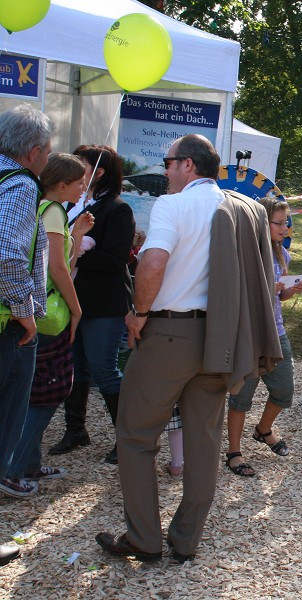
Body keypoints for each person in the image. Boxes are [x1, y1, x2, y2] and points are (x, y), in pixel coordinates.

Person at [96, 134, 280, 563]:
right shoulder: (243, 208)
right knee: (204, 441)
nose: (164, 170)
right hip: (221, 336)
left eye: (168, 162)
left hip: (168, 333)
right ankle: (185, 539)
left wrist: (139, 311)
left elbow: (153, 263)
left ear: (188, 166)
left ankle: (143, 537)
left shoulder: (172, 206)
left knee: (136, 435)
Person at [2, 154, 93, 498]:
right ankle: (14, 466)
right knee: (49, 391)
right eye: (80, 181)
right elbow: (57, 270)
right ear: (62, 184)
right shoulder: (53, 212)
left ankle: (27, 461)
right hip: (49, 315)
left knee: (37, 389)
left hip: (37, 310)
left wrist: (77, 233)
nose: (84, 187)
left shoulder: (45, 209)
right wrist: (77, 308)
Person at [49, 144, 135, 465]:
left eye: (81, 163)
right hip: (73, 300)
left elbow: (116, 259)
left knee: (104, 369)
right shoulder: (69, 205)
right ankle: (75, 430)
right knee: (75, 367)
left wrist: (78, 247)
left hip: (103, 303)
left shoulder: (117, 209)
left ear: (98, 172)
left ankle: (128, 439)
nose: (73, 167)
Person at [0, 106, 52, 558]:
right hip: (6, 330)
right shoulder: (19, 185)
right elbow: (7, 255)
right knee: (4, 422)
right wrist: (25, 312)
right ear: (33, 152)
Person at [224, 197, 302, 477]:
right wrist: (270, 289)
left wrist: (287, 291)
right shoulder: (247, 252)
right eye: (279, 223)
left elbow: (277, 295)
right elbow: (238, 294)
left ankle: (263, 430)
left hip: (276, 332)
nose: (285, 228)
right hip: (249, 335)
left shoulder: (283, 254)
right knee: (241, 397)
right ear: (262, 223)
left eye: (287, 223)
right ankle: (234, 451)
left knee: (284, 391)